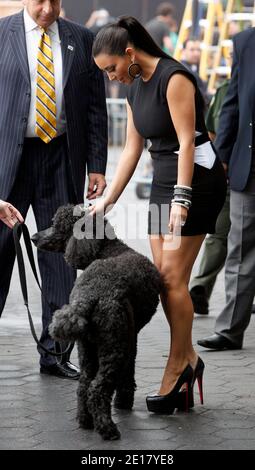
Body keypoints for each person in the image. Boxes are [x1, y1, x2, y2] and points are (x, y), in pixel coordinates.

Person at [91, 16, 227, 412]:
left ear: (129, 54)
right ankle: (188, 362)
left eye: (112, 69)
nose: (111, 78)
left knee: (171, 279)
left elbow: (187, 143)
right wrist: (109, 201)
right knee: (165, 280)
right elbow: (133, 150)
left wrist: (182, 199)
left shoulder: (175, 77)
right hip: (161, 186)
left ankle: (176, 366)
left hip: (195, 183)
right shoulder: (135, 90)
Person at [0, 0, 107, 378]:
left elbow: (95, 108)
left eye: (55, 1)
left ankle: (56, 355)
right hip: (6, 165)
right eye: (39, 1)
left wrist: (97, 165)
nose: (47, 9)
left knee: (63, 259)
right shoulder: (2, 34)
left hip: (61, 158)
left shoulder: (83, 39)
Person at [198, 26, 255, 350]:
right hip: (249, 167)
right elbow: (232, 101)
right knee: (240, 250)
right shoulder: (245, 42)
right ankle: (230, 330)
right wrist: (220, 159)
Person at [189, 79, 231, 315]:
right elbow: (211, 132)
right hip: (230, 176)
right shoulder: (226, 91)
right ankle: (200, 289)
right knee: (217, 236)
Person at [181, 38, 211, 107]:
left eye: (198, 50)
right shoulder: (185, 70)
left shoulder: (193, 68)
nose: (196, 53)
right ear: (183, 51)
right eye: (192, 50)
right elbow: (201, 97)